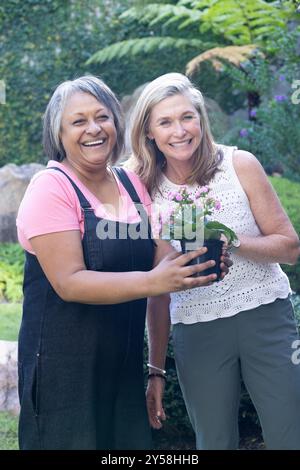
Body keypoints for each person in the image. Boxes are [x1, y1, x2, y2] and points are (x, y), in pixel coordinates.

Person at [16, 75, 231, 450]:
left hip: (123, 372)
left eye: (102, 117)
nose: (93, 129)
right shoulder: (51, 188)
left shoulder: (131, 184)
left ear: (117, 122)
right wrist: (158, 280)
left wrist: (196, 266)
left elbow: (164, 277)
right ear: (59, 133)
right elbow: (70, 283)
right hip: (63, 378)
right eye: (78, 121)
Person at [128, 72, 300, 450]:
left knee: (290, 434)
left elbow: (289, 247)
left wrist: (230, 238)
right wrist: (155, 371)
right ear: (149, 133)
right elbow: (156, 289)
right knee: (213, 441)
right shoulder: (143, 191)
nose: (180, 130)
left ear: (201, 119)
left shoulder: (240, 164)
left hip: (265, 315)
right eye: (165, 122)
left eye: (187, 117)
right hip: (196, 327)